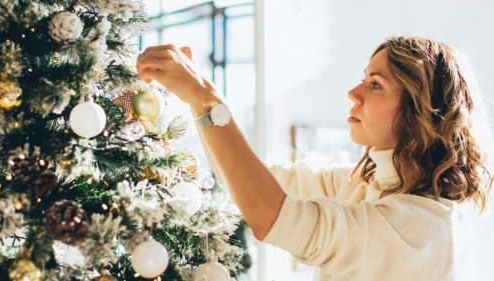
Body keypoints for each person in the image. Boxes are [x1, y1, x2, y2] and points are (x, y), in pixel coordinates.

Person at [136, 36, 493, 280]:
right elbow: (248, 182)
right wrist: (198, 104)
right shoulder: (364, 183)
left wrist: (208, 101)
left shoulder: (420, 228)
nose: (353, 93)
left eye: (375, 84)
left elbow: (274, 217)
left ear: (419, 110)